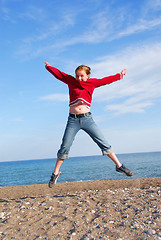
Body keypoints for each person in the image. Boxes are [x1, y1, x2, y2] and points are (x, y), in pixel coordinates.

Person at [45, 62, 133, 188]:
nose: (79, 78)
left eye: (81, 76)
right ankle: (55, 173)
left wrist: (120, 75)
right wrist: (49, 67)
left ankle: (119, 166)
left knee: (103, 142)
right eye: (77, 76)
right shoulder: (71, 81)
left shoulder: (92, 83)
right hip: (73, 120)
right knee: (65, 145)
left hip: (87, 119)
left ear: (87, 76)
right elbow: (60, 75)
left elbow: (105, 80)